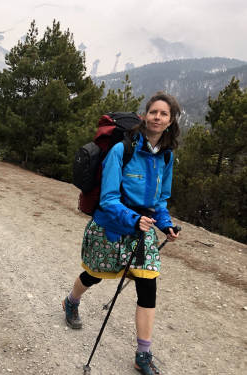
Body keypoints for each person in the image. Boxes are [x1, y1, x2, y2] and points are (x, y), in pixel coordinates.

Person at [63, 92, 181, 375]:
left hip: (143, 232)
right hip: (112, 227)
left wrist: (165, 224)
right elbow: (108, 198)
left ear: (170, 121)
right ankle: (71, 301)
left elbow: (160, 200)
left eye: (163, 114)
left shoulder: (166, 157)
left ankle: (143, 354)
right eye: (153, 112)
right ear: (145, 115)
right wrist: (134, 218)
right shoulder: (122, 150)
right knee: (94, 275)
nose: (157, 117)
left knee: (148, 287)